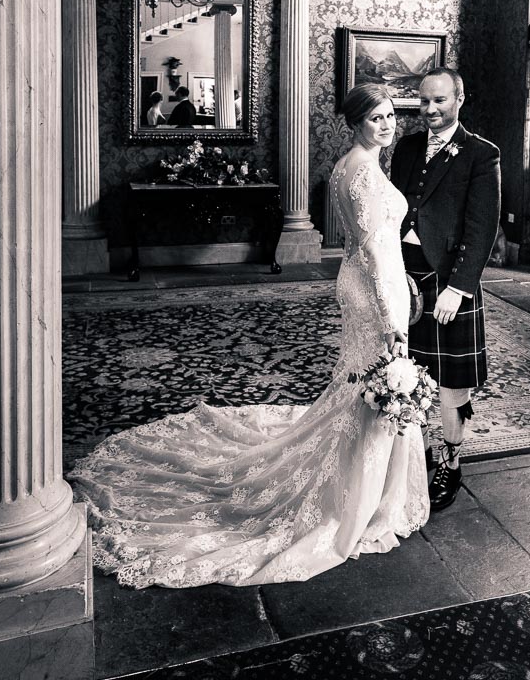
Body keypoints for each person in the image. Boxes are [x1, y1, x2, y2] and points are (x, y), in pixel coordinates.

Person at [68, 82, 429, 587]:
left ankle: (364, 482)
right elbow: (371, 252)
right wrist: (392, 319)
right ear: (355, 123)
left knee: (359, 385)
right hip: (374, 290)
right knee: (376, 383)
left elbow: (373, 242)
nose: (387, 124)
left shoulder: (349, 165)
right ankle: (360, 499)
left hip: (370, 281)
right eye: (376, 118)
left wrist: (400, 280)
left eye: (391, 115)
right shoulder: (364, 172)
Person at [390, 66, 500, 512]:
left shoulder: (481, 154)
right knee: (406, 373)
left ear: (459, 99)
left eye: (439, 100)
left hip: (448, 278)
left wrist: (459, 287)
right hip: (403, 272)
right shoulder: (406, 147)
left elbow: (482, 226)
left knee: (452, 382)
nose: (430, 109)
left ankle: (451, 464)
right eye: (424, 101)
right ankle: (417, 456)